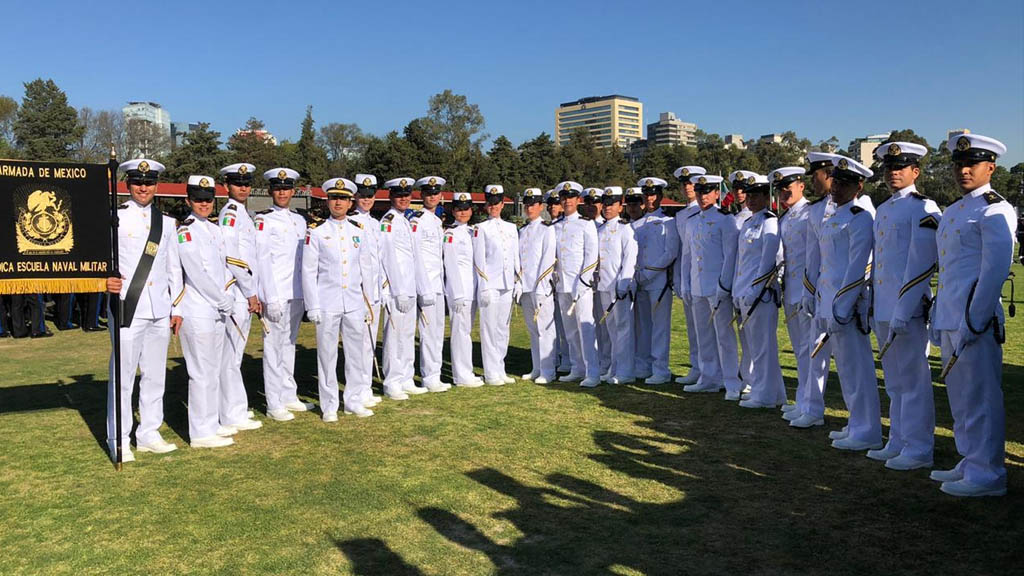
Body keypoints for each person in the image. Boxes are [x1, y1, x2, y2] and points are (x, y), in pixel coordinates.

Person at [930, 134, 1014, 497]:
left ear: (990, 168)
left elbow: (994, 271)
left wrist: (974, 320)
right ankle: (971, 459)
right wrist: (938, 316)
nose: (964, 170)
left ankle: (988, 474)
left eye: (972, 164)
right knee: (960, 397)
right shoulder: (955, 210)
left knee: (981, 397)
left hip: (973, 320)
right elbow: (948, 270)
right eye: (959, 164)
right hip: (950, 315)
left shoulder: (995, 209)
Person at [868, 142, 940, 470]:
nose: (893, 172)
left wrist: (904, 306)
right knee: (894, 380)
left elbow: (923, 262)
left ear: (916, 172)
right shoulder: (883, 209)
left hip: (907, 308)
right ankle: (897, 439)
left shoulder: (923, 207)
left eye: (901, 167)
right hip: (884, 306)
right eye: (889, 167)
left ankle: (919, 446)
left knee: (913, 380)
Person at [105, 159, 182, 461]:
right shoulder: (115, 218)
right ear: (127, 184)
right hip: (128, 305)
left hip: (159, 308)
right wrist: (105, 280)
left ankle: (149, 432)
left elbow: (173, 267)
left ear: (156, 186)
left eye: (148, 183)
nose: (143, 187)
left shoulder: (168, 223)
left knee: (154, 376)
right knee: (123, 377)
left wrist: (177, 307)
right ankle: (118, 438)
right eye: (137, 182)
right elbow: (101, 259)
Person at [818, 156, 882, 451]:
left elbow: (857, 267)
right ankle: (856, 423)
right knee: (845, 369)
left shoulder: (860, 217)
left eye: (844, 184)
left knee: (859, 369)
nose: (836, 188)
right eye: (835, 182)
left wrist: (841, 308)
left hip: (849, 307)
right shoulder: (835, 216)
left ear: (859, 186)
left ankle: (868, 430)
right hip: (832, 304)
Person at [301, 178, 375, 420]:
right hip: (328, 302)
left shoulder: (357, 231)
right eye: (334, 198)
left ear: (350, 201)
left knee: (355, 355)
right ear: (328, 201)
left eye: (343, 198)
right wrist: (312, 305)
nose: (338, 203)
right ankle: (330, 405)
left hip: (353, 303)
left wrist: (368, 302)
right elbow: (309, 272)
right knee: (327, 355)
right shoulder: (317, 232)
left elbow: (366, 269)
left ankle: (353, 400)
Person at [173, 175, 236, 448]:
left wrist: (228, 294)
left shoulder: (214, 229)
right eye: (198, 199)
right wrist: (220, 297)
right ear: (189, 200)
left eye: (208, 199)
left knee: (213, 370)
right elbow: (195, 271)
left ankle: (211, 423)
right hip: (198, 307)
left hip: (218, 308)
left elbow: (224, 266)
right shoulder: (185, 230)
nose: (204, 204)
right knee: (200, 371)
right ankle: (200, 432)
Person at [255, 167, 314, 421]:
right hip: (276, 292)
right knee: (273, 347)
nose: (282, 192)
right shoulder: (263, 220)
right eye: (278, 189)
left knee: (289, 345)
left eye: (286, 188)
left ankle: (289, 394)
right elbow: (262, 260)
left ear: (293, 191)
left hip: (297, 291)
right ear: (270, 191)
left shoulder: (300, 220)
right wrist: (269, 295)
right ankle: (273, 402)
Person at [793, 151, 842, 429]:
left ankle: (859, 423)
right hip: (820, 292)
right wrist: (809, 291)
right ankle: (810, 407)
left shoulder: (857, 208)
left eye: (816, 175)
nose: (813, 180)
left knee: (849, 365)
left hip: (844, 295)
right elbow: (812, 255)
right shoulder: (814, 210)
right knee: (813, 352)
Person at [684, 175, 741, 398]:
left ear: (717, 193)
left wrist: (724, 285)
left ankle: (732, 382)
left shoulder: (725, 220)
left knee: (724, 336)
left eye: (708, 191)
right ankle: (708, 377)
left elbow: (730, 256)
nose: (703, 196)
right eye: (699, 192)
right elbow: (688, 257)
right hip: (698, 286)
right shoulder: (692, 221)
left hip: (717, 286)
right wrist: (686, 283)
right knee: (703, 335)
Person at [731, 174, 785, 408]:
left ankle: (763, 395)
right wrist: (737, 290)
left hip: (761, 295)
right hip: (745, 292)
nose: (751, 199)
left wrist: (757, 289)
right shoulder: (748, 223)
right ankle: (773, 393)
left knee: (763, 347)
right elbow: (742, 262)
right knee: (755, 346)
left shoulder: (769, 222)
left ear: (766, 197)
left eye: (756, 195)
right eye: (748, 195)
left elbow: (770, 260)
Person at [769, 167, 818, 426]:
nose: (784, 192)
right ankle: (802, 401)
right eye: (780, 189)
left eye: (789, 187)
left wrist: (811, 290)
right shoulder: (786, 218)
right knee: (800, 351)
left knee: (811, 351)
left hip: (808, 291)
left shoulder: (811, 213)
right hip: (791, 290)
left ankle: (812, 407)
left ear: (801, 185)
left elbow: (816, 255)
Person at [217, 162, 263, 432]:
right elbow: (232, 257)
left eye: (246, 183)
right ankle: (231, 413)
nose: (243, 187)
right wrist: (250, 291)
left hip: (243, 292)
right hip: (236, 293)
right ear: (227, 186)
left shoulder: (244, 214)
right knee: (231, 357)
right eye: (237, 183)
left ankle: (235, 409)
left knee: (235, 355)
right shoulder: (230, 214)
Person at [378, 177, 424, 400]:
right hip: (398, 289)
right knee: (394, 336)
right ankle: (392, 381)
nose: (404, 199)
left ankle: (406, 377)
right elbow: (388, 258)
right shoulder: (388, 221)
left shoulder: (405, 220)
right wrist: (397, 290)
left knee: (407, 335)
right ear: (391, 196)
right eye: (399, 195)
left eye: (407, 195)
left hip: (409, 286)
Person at [632, 177, 679, 384]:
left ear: (660, 197)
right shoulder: (636, 224)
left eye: (653, 194)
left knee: (660, 327)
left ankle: (661, 369)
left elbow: (671, 252)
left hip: (658, 281)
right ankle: (642, 365)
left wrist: (648, 273)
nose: (650, 198)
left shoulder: (669, 222)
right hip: (639, 281)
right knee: (642, 326)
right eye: (646, 195)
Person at [554, 181, 600, 387]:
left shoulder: (586, 224)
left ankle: (593, 372)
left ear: (577, 200)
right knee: (570, 330)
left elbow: (592, 255)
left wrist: (583, 280)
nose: (567, 201)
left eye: (570, 198)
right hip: (562, 284)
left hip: (580, 285)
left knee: (585, 328)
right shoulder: (555, 226)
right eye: (564, 198)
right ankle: (577, 367)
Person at [474, 185, 521, 386]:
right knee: (489, 328)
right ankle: (491, 371)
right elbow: (479, 259)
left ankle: (500, 368)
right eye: (490, 203)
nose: (493, 207)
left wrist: (518, 280)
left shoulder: (511, 228)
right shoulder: (481, 228)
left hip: (507, 284)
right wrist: (483, 285)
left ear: (503, 204)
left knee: (503, 327)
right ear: (486, 205)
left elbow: (516, 257)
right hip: (490, 284)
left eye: (497, 203)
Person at [412, 176, 451, 392]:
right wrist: (423, 286)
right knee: (427, 332)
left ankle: (435, 374)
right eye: (428, 193)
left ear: (441, 196)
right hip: (426, 285)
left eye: (435, 193)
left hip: (438, 285)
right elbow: (416, 255)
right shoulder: (416, 221)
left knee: (437, 331)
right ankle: (429, 376)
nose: (432, 196)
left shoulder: (437, 222)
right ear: (421, 195)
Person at [348, 174, 384, 408]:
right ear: (355, 196)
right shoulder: (350, 222)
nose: (367, 199)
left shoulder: (375, 223)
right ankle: (357, 390)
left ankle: (365, 388)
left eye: (370, 195)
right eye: (363, 195)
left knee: (370, 341)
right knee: (357, 343)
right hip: (359, 292)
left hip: (376, 291)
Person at [596, 186, 637, 385]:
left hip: (619, 287)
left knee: (623, 329)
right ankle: (614, 367)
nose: (607, 207)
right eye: (605, 203)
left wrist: (624, 282)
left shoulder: (625, 229)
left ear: (620, 206)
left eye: (612, 204)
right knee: (611, 331)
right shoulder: (600, 229)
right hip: (604, 285)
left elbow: (629, 258)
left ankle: (625, 371)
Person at [443, 193, 484, 388]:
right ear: (453, 211)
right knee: (460, 332)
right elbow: (450, 265)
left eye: (466, 208)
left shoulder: (472, 231)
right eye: (459, 209)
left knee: (466, 331)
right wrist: (457, 293)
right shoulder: (450, 234)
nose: (463, 212)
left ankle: (466, 371)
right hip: (460, 291)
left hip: (473, 288)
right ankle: (461, 375)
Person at [518, 187, 558, 384]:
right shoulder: (523, 231)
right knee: (533, 330)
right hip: (526, 287)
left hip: (540, 286)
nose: (529, 207)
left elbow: (548, 259)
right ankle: (536, 367)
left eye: (533, 204)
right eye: (527, 204)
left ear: (540, 206)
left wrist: (542, 286)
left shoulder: (547, 229)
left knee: (545, 329)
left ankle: (548, 370)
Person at [672, 166, 706, 385]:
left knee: (708, 330)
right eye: (684, 184)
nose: (687, 187)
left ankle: (710, 370)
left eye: (691, 183)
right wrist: (680, 280)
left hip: (707, 277)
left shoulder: (710, 211)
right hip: (689, 276)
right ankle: (696, 367)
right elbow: (682, 252)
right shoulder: (681, 215)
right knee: (693, 328)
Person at [727, 171, 757, 387]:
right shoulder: (735, 218)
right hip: (737, 284)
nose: (739, 193)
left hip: (753, 286)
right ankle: (746, 375)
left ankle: (753, 378)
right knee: (743, 334)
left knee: (755, 337)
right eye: (735, 189)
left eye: (743, 189)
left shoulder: (761, 218)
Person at [546, 189, 571, 374]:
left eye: (556, 203)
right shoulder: (550, 227)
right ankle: (554, 357)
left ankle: (568, 358)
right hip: (551, 282)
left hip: (567, 281)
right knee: (553, 322)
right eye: (551, 204)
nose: (553, 207)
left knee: (567, 324)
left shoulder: (565, 226)